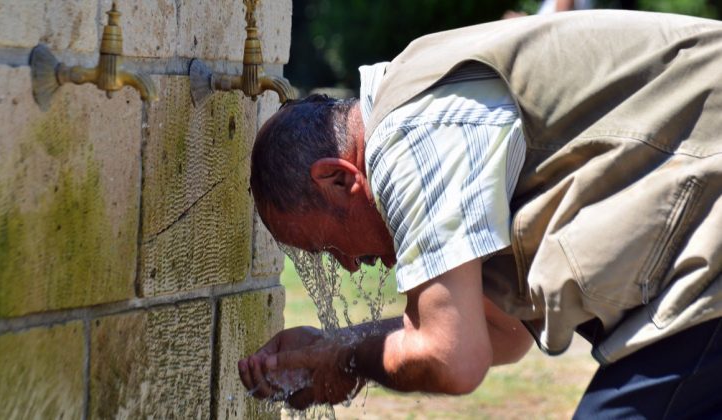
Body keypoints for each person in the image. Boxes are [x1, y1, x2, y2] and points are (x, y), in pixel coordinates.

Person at [239, 10, 722, 417]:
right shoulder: (418, 106)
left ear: (340, 178)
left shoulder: (410, 139)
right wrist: (333, 346)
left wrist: (342, 359)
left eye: (326, 246)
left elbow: (455, 358)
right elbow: (499, 333)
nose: (345, 265)